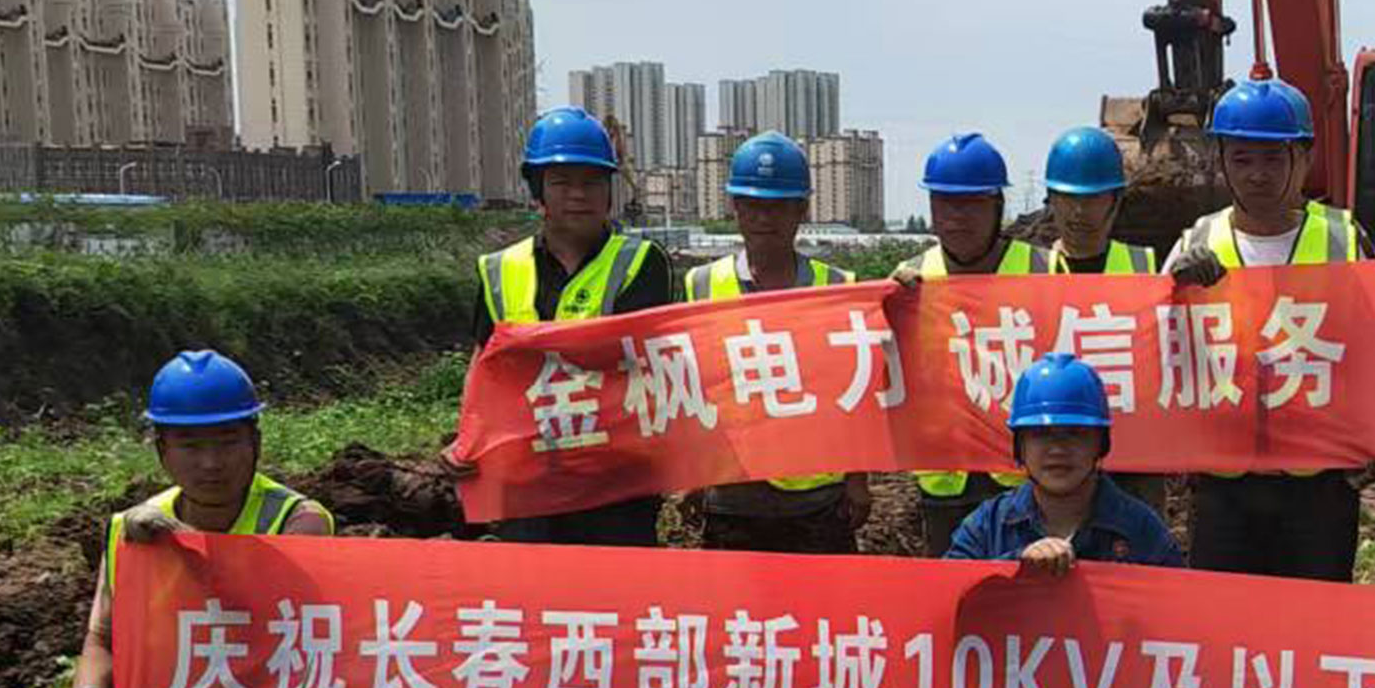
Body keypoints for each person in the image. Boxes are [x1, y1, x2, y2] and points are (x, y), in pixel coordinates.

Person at [916, 353, 1208, 688]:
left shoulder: (1138, 528)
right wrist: (1013, 572)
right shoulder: (988, 527)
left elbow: (1186, 621)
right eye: (1041, 435)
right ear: (1019, 447)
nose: (1057, 448)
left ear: (1101, 444)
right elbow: (941, 608)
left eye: (1075, 433)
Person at [59, 350, 335, 688]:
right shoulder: (132, 530)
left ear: (255, 443)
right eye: (190, 446)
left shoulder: (298, 520)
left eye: (227, 442)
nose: (211, 463)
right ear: (162, 451)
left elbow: (270, 618)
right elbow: (102, 639)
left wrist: (183, 546)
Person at [1164, 77, 1372, 581]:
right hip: (1223, 485)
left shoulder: (1343, 240)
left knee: (1316, 620)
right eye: (1242, 159)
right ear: (1221, 161)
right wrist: (1174, 291)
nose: (1258, 175)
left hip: (1317, 485)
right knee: (1228, 621)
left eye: (1274, 159)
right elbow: (1158, 350)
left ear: (1304, 159)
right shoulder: (1196, 242)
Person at [452, 106, 679, 547]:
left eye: (592, 182)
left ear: (609, 191)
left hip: (615, 481)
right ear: (538, 190)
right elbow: (485, 362)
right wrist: (469, 438)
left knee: (618, 585)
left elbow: (633, 362)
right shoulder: (500, 269)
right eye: (562, 182)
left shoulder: (640, 263)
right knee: (532, 585)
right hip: (527, 477)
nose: (578, 195)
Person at [690, 132, 866, 556]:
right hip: (733, 495)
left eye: (777, 206)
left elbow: (857, 394)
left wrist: (858, 479)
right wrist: (692, 475)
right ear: (735, 207)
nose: (763, 218)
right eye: (751, 205)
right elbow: (692, 389)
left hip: (817, 500)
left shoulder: (838, 288)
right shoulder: (701, 285)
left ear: (801, 210)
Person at [895, 132, 1061, 544]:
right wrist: (888, 310)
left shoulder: (1044, 270)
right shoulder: (910, 280)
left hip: (1022, 475)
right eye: (945, 203)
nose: (957, 216)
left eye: (972, 203)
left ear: (997, 206)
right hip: (944, 479)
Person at [1041, 127, 1153, 274]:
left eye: (1092, 198)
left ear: (1116, 200)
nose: (1080, 210)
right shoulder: (1029, 267)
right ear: (1051, 198)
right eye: (1069, 198)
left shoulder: (1142, 268)